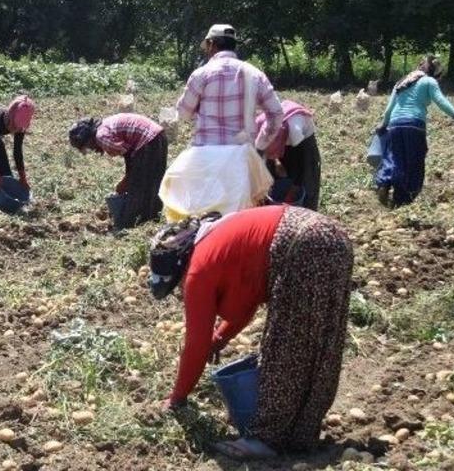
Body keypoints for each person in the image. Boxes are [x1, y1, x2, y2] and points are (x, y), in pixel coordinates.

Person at [151, 205, 353, 459]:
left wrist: (177, 398)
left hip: (303, 245)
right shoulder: (215, 241)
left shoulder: (197, 271)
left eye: (177, 285)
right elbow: (247, 301)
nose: (181, 288)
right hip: (332, 237)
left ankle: (265, 439)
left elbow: (196, 344)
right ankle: (301, 434)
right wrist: (220, 338)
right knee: (322, 341)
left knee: (285, 345)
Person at [159, 24, 282, 221]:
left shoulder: (201, 74)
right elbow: (276, 114)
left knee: (198, 215)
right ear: (234, 46)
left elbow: (182, 113)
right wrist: (260, 144)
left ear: (211, 45)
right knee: (235, 220)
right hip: (240, 157)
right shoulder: (254, 74)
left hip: (204, 158)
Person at [375, 55, 454, 206]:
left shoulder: (401, 83)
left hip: (394, 125)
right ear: (434, 72)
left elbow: (389, 109)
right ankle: (405, 199)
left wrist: (383, 125)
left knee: (397, 159)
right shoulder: (428, 81)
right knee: (415, 162)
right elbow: (441, 101)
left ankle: (387, 185)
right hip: (414, 124)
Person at [68, 113, 168, 228]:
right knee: (153, 182)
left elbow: (131, 158)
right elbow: (131, 157)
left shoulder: (102, 137)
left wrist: (126, 182)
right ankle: (151, 221)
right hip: (158, 136)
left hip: (148, 141)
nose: (92, 149)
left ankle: (135, 223)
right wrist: (128, 178)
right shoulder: (104, 128)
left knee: (139, 186)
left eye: (88, 146)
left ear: (89, 138)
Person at [255, 100, 321, 210]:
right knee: (274, 173)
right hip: (283, 139)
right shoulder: (262, 125)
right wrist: (275, 162)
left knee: (306, 177)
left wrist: (294, 183)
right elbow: (262, 151)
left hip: (303, 143)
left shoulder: (295, 131)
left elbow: (298, 157)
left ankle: (307, 207)